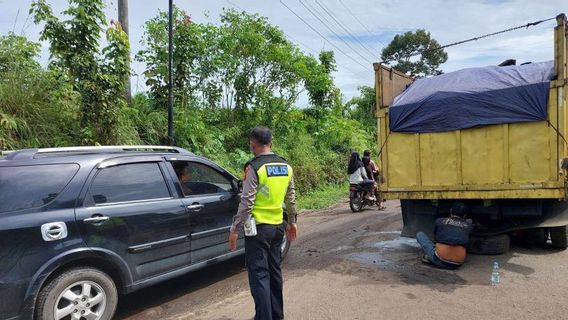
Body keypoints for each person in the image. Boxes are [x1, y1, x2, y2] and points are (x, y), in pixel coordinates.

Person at [228, 126, 298, 320]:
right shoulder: (286, 166)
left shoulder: (254, 167)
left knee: (259, 275)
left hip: (258, 230)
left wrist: (235, 228)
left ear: (253, 144)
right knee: (274, 272)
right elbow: (291, 198)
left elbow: (247, 201)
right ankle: (277, 315)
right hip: (278, 228)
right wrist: (292, 222)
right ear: (271, 143)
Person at [416, 202, 474, 269]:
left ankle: (430, 257)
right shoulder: (468, 226)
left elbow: (435, 236)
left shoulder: (440, 221)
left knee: (420, 234)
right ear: (465, 215)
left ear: (451, 211)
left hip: (439, 260)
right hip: (457, 264)